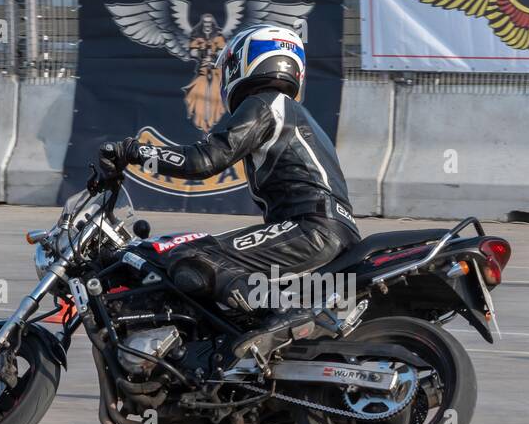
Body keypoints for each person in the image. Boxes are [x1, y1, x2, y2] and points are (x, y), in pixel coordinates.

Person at [97, 23, 361, 360]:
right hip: (320, 230)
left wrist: (134, 152)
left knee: (192, 258)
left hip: (310, 229)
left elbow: (202, 161)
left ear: (246, 62)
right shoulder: (290, 112)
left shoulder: (266, 104)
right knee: (210, 262)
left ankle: (288, 312)